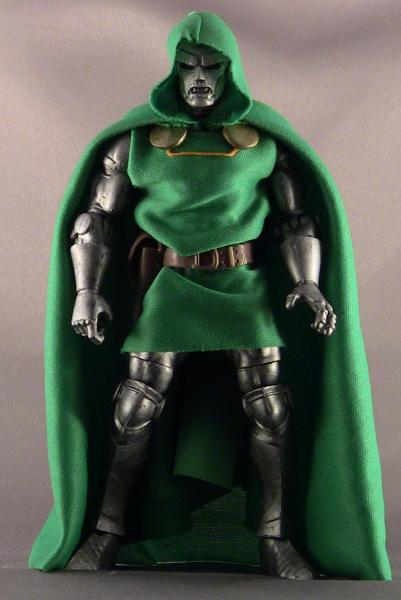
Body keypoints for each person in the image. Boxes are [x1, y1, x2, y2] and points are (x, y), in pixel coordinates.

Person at [29, 12, 391, 581]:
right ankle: (107, 529)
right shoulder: (136, 142)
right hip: (171, 285)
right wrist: (86, 291)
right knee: (134, 406)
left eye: (211, 67)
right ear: (173, 69)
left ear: (230, 71)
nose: (199, 77)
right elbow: (94, 219)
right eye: (188, 66)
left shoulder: (263, 142)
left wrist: (306, 281)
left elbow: (296, 218)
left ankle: (274, 537)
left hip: (241, 284)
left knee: (270, 407)